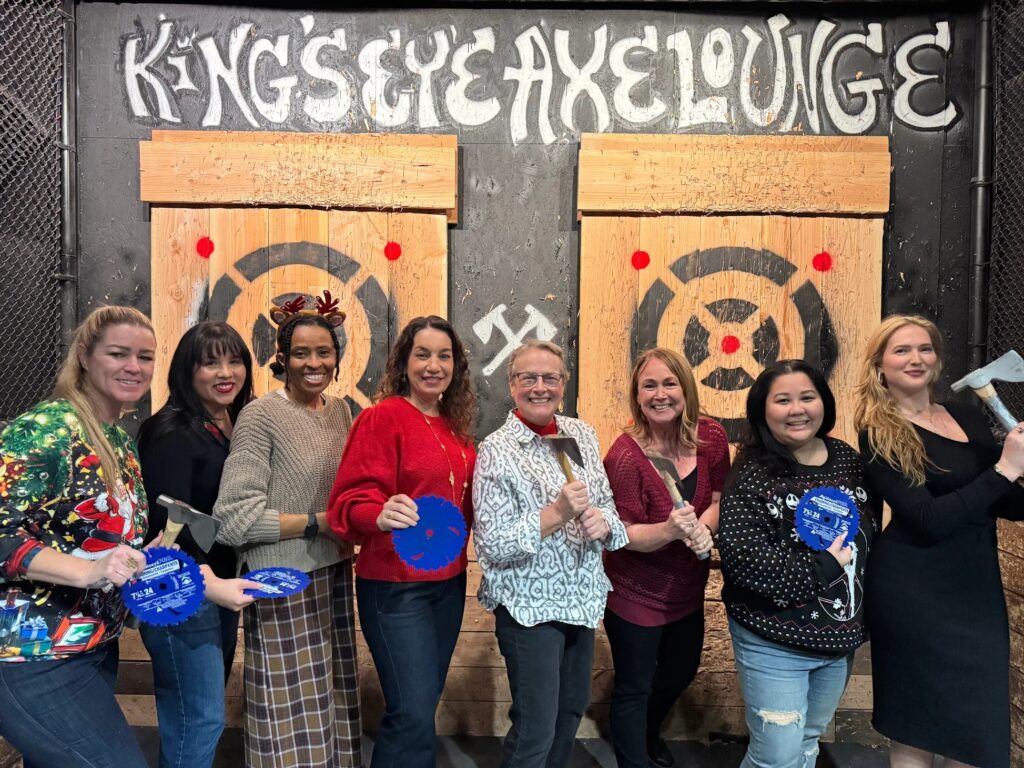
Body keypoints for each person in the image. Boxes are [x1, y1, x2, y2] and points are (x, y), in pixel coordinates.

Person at [854, 315, 1024, 768]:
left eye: (924, 348)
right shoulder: (878, 432)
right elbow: (927, 519)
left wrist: (1016, 471)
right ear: (880, 366)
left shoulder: (965, 414)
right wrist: (1005, 469)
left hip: (975, 593)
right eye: (902, 350)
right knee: (916, 727)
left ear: (938, 359)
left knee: (976, 733)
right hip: (915, 593)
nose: (916, 358)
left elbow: (1001, 499)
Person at [0, 305, 157, 766]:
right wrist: (88, 571)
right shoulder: (45, 431)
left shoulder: (119, 441)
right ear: (86, 356)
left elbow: (106, 543)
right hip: (32, 655)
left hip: (91, 646)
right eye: (119, 353)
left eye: (145, 357)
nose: (134, 367)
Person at [213, 295, 361, 768]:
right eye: (301, 353)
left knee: (330, 697)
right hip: (281, 579)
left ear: (337, 357)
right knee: (289, 707)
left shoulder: (341, 412)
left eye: (323, 352)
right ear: (281, 357)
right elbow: (235, 518)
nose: (313, 363)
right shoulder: (260, 416)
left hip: (334, 571)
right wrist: (318, 521)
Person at [328, 315, 477, 768]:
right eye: (423, 354)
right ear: (404, 362)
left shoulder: (456, 430)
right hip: (395, 586)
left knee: (423, 704)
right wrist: (380, 513)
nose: (434, 365)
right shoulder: (383, 418)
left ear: (457, 366)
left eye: (444, 356)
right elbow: (348, 505)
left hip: (448, 584)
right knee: (410, 710)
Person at [472, 339, 628, 768]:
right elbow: (491, 546)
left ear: (564, 383)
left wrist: (606, 525)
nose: (540, 387)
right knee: (536, 725)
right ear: (512, 384)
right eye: (528, 378)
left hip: (581, 600)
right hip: (529, 608)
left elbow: (609, 509)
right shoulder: (496, 450)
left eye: (550, 378)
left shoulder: (582, 434)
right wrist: (555, 514)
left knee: (569, 712)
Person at [718, 359, 874, 768]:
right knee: (776, 756)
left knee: (806, 743)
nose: (797, 409)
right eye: (782, 400)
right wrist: (825, 566)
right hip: (774, 641)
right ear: (763, 411)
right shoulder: (751, 471)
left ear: (824, 402)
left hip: (838, 641)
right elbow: (746, 563)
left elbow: (866, 537)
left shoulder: (847, 459)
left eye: (807, 397)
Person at [137, 321, 263, 768]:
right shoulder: (171, 431)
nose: (226, 372)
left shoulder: (232, 424)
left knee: (198, 716)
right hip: (183, 591)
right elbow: (165, 525)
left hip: (219, 589)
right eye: (211, 363)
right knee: (200, 720)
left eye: (235, 361)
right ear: (187, 372)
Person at [602, 348, 730, 768]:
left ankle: (646, 734)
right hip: (634, 590)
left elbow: (717, 498)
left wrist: (702, 527)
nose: (660, 394)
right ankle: (633, 758)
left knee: (679, 671)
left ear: (686, 389)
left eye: (669, 383)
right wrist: (671, 530)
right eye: (649, 386)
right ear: (637, 397)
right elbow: (621, 536)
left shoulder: (710, 438)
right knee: (635, 686)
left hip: (686, 589)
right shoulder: (624, 456)